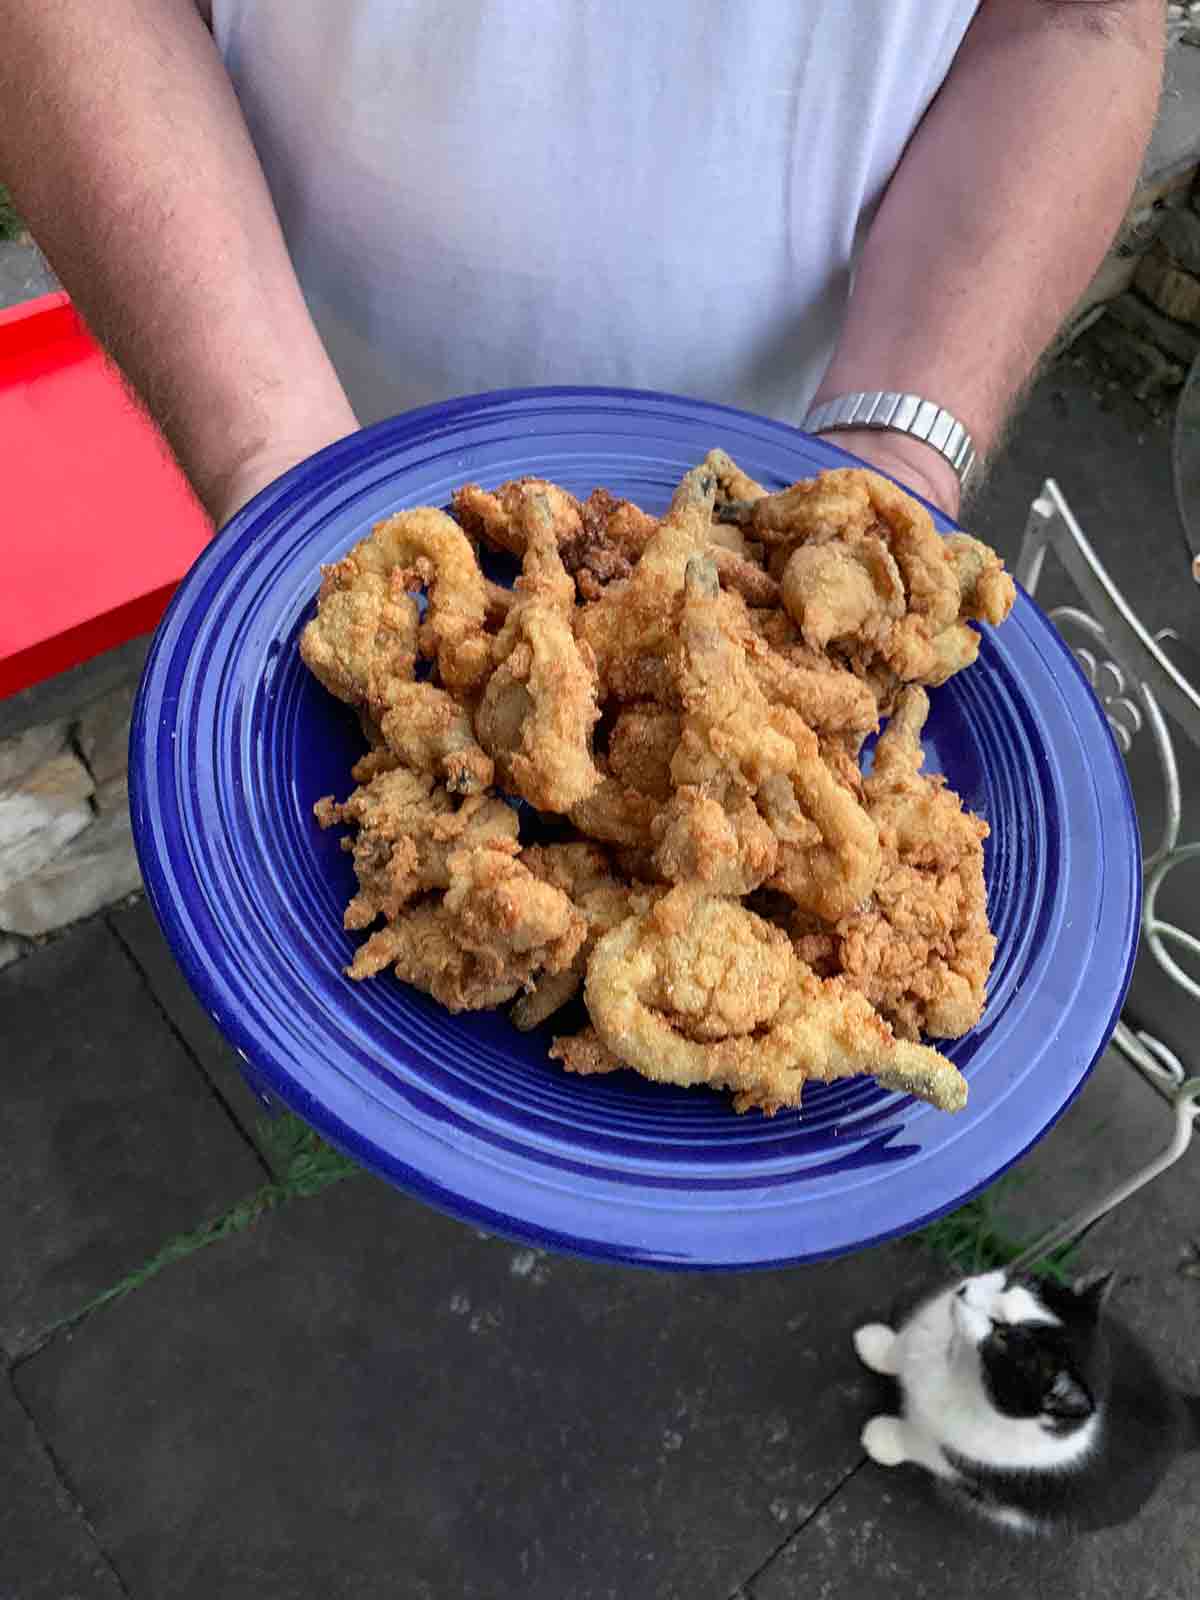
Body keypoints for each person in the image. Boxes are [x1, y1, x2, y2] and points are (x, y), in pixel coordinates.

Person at [0, 2, 1162, 528]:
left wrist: (898, 448)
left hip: (800, 476)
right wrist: (273, 461)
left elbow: (1077, 17)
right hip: (283, 428)